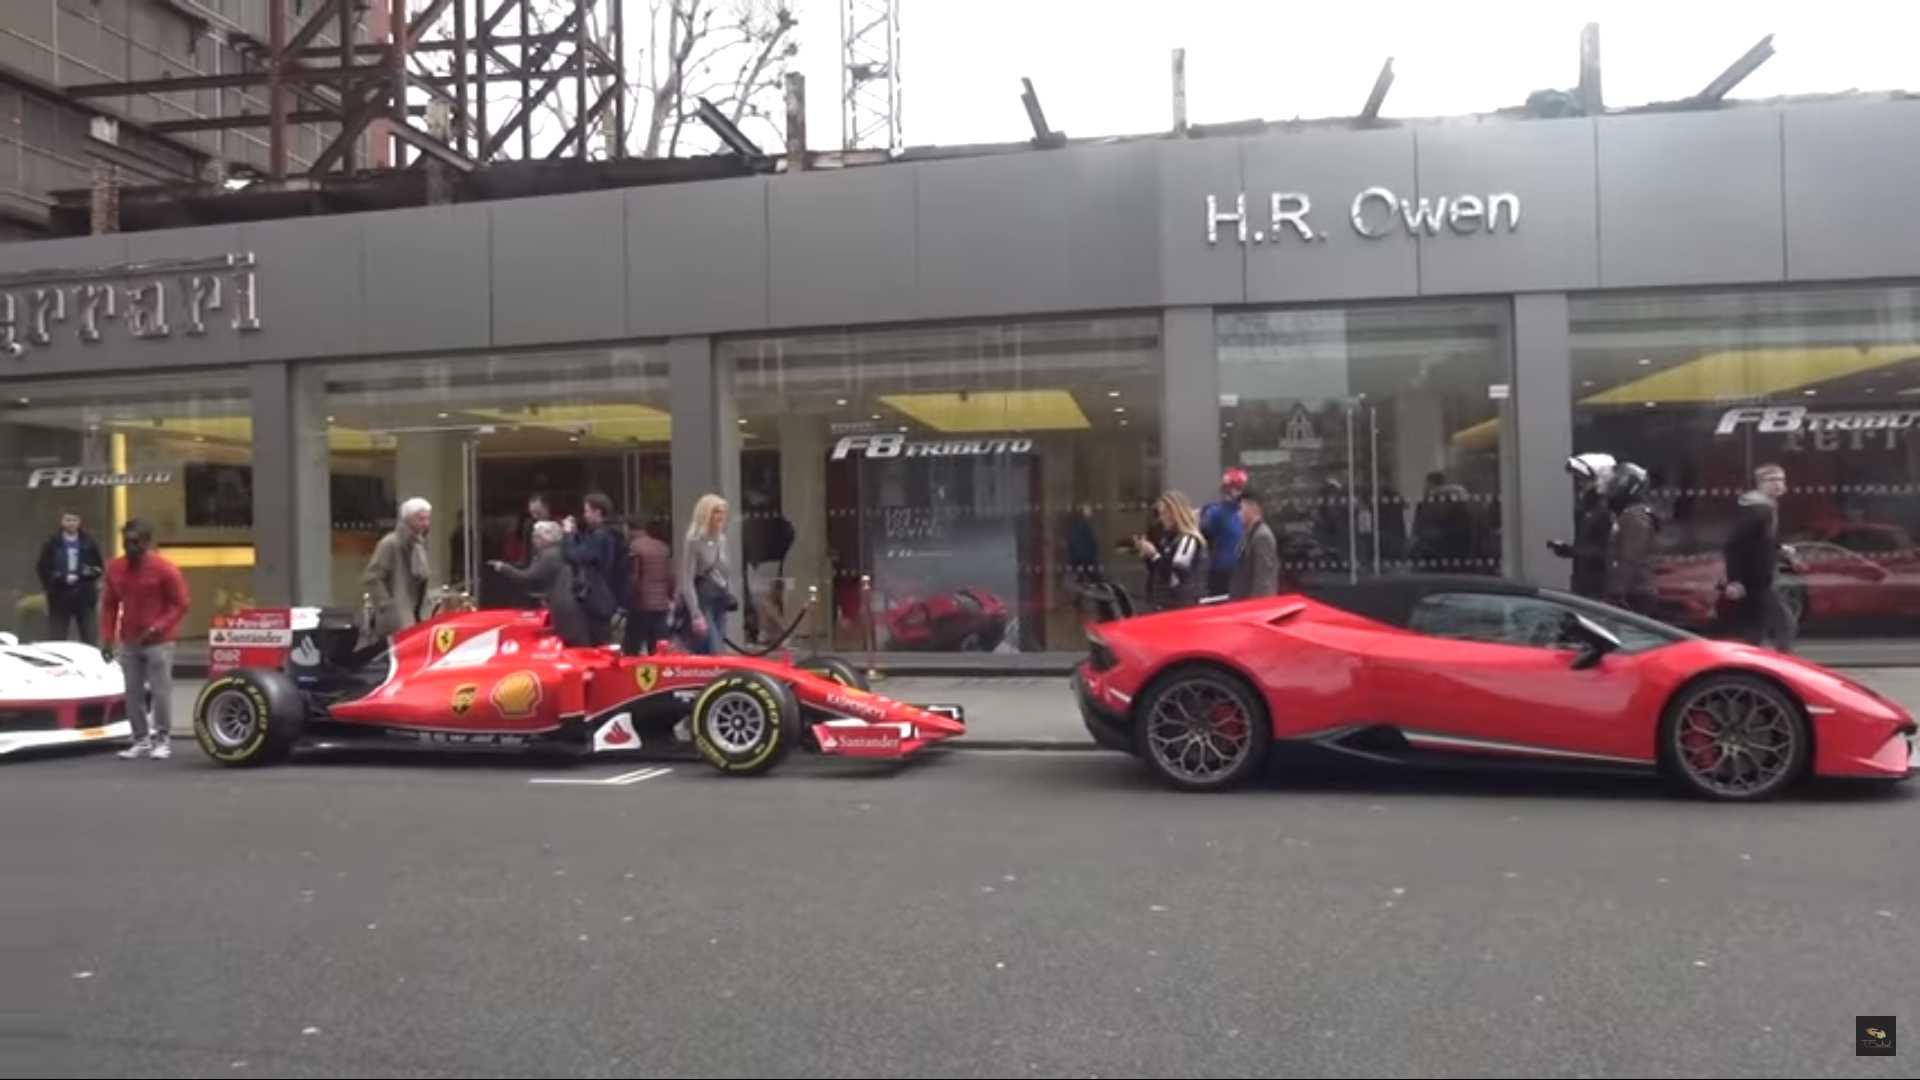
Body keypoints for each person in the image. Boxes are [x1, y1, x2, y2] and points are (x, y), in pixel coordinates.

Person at [100, 519, 189, 761]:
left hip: (159, 641)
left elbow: (180, 604)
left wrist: (158, 626)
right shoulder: (115, 568)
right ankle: (140, 739)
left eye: (136, 542)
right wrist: (107, 638)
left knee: (160, 692)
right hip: (129, 640)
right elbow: (109, 605)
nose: (130, 546)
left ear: (147, 542)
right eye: (126, 541)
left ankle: (162, 738)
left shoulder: (164, 568)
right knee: (133, 692)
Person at [1722, 463, 1797, 651]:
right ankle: (1779, 661)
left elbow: (1760, 540)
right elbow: (1734, 544)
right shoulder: (1757, 510)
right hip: (1755, 578)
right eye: (1773, 480)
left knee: (1760, 625)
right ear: (1760, 483)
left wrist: (1779, 548)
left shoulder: (1766, 507)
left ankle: (1753, 659)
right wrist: (1735, 580)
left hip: (1760, 576)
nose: (1779, 484)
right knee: (1781, 622)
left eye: (1781, 479)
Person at [488, 521, 590, 647]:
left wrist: (503, 567)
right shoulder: (560, 551)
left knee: (572, 646)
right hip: (571, 604)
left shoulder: (549, 555)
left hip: (564, 607)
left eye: (536, 537)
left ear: (545, 538)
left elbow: (528, 578)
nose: (533, 541)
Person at [363, 497, 433, 641]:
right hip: (397, 617)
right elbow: (372, 577)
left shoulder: (419, 545)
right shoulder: (390, 543)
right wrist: (387, 606)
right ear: (408, 519)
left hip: (416, 613)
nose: (425, 524)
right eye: (421, 519)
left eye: (427, 519)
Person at [1550, 452, 1617, 599]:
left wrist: (1572, 551)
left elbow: (1606, 551)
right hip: (1583, 580)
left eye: (1582, 478)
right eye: (1577, 478)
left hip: (1598, 584)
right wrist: (1569, 551)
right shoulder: (1587, 507)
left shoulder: (1605, 509)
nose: (1578, 483)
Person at [563, 492, 624, 647]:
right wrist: (576, 535)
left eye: (587, 511)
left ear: (597, 512)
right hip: (606, 595)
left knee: (598, 643)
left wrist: (569, 536)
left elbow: (577, 556)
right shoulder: (609, 534)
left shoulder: (601, 535)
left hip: (597, 598)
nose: (585, 515)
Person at [36, 510, 105, 645]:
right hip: (59, 594)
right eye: (68, 520)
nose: (71, 523)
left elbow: (99, 567)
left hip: (84, 594)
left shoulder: (88, 542)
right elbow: (42, 568)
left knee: (89, 635)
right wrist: (56, 580)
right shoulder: (52, 542)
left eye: (74, 520)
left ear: (79, 522)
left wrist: (86, 574)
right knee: (57, 636)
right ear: (62, 521)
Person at [1133, 491, 1210, 609]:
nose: (1161, 518)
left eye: (1164, 513)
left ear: (1175, 514)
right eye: (1160, 514)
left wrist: (1154, 555)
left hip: (1180, 605)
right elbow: (1159, 570)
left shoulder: (1188, 539)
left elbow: (1176, 575)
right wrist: (1148, 556)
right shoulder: (1168, 538)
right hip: (1165, 602)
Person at [1602, 463, 1660, 616]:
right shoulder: (1628, 514)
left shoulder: (1635, 515)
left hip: (1634, 593)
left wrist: (1616, 592)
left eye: (1619, 483)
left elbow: (1629, 557)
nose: (1614, 487)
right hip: (1632, 590)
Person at [679, 494, 734, 655]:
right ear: (706, 514)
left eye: (723, 512)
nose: (721, 516)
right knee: (713, 648)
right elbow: (687, 579)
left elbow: (725, 572)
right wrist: (695, 613)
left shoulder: (721, 539)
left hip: (720, 599)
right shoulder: (694, 541)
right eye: (716, 512)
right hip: (704, 601)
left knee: (717, 650)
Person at [624, 522, 674, 655]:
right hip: (661, 606)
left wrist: (629, 598)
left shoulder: (635, 546)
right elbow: (670, 576)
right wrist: (670, 597)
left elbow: (634, 577)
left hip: (641, 604)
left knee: (632, 647)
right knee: (658, 648)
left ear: (631, 530)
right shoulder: (663, 547)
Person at [1199, 469, 1247, 596]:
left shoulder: (1246, 512)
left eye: (1238, 488)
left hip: (1242, 571)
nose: (1234, 492)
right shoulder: (1215, 513)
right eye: (1230, 488)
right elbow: (1205, 536)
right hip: (1222, 572)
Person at [1229, 487, 1281, 600]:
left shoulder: (1262, 536)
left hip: (1254, 607)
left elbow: (1264, 581)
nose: (1238, 514)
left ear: (1253, 508)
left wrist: (1256, 609)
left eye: (1241, 509)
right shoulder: (1248, 534)